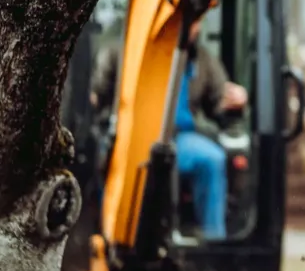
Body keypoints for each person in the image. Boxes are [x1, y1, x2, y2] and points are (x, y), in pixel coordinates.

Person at [91, 17, 247, 240]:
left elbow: (217, 101)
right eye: (192, 20)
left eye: (197, 22)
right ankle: (109, 235)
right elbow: (99, 93)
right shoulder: (120, 52)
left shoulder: (200, 59)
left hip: (181, 137)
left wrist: (234, 102)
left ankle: (213, 239)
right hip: (132, 135)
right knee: (109, 158)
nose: (195, 27)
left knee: (212, 160)